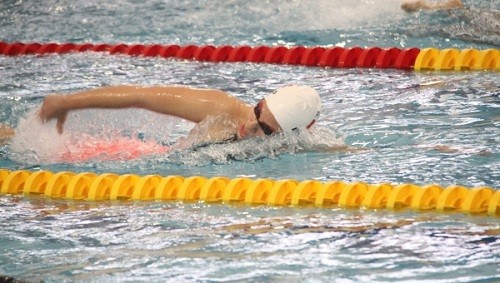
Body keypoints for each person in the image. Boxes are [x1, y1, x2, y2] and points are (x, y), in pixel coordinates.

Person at [38, 85, 321, 143]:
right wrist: (67, 101)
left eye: (266, 131)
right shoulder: (220, 108)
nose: (250, 126)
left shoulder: (293, 145)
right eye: (257, 111)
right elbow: (141, 96)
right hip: (142, 158)